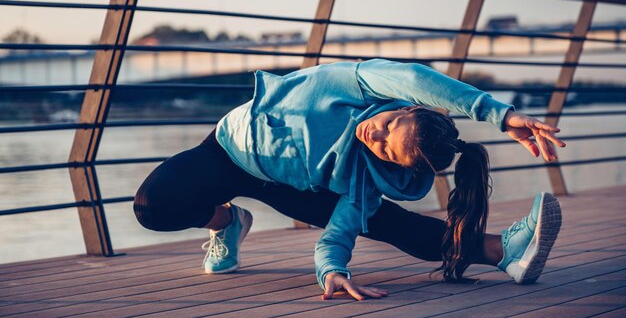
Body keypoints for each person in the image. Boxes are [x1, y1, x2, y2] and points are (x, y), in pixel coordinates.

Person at [133, 58, 564, 301]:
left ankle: (503, 250)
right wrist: (498, 114)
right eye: (388, 122)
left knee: (387, 222)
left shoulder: (361, 177)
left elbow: (337, 235)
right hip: (228, 152)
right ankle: (226, 222)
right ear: (405, 108)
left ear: (393, 163)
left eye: (383, 146)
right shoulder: (360, 86)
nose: (371, 132)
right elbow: (417, 78)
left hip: (292, 184)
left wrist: (332, 272)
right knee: (152, 206)